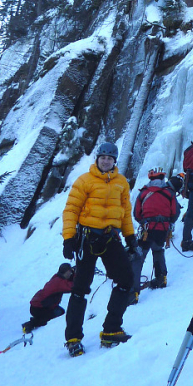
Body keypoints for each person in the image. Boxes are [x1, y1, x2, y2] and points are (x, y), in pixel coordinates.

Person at [62, 140, 137, 357]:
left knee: (125, 279)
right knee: (80, 288)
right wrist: (68, 238)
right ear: (97, 159)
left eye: (110, 158)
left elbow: (125, 212)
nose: (106, 161)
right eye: (103, 157)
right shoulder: (84, 181)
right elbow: (71, 210)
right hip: (87, 238)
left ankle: (111, 330)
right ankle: (73, 338)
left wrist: (130, 237)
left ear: (115, 161)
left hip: (111, 237)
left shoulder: (122, 183)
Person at [129, 165, 181, 303]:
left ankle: (132, 293)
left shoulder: (143, 193)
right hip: (163, 228)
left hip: (147, 228)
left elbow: (136, 213)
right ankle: (161, 278)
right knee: (158, 250)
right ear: (163, 178)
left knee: (138, 258)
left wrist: (143, 222)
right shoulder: (169, 192)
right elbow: (175, 212)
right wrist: (167, 223)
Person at [22, 263, 74, 333]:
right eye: (70, 272)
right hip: (39, 308)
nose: (71, 273)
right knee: (55, 317)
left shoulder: (57, 277)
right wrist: (76, 275)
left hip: (40, 305)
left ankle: (39, 318)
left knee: (60, 312)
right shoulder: (59, 282)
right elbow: (72, 287)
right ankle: (30, 325)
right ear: (66, 272)